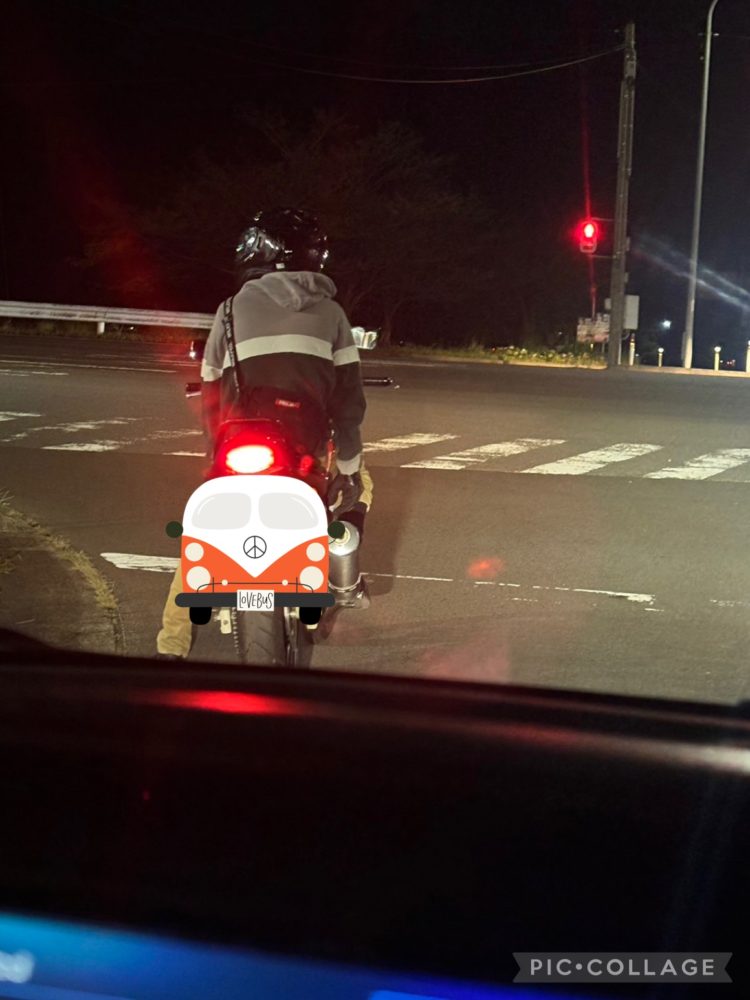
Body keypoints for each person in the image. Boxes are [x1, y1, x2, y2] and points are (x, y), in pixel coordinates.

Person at [155, 207, 373, 660]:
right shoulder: (332, 313)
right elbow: (348, 401)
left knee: (205, 529)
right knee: (359, 485)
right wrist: (349, 466)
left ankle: (170, 648)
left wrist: (215, 448)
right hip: (305, 446)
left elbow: (210, 386)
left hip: (239, 445)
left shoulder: (230, 309)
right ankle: (343, 580)